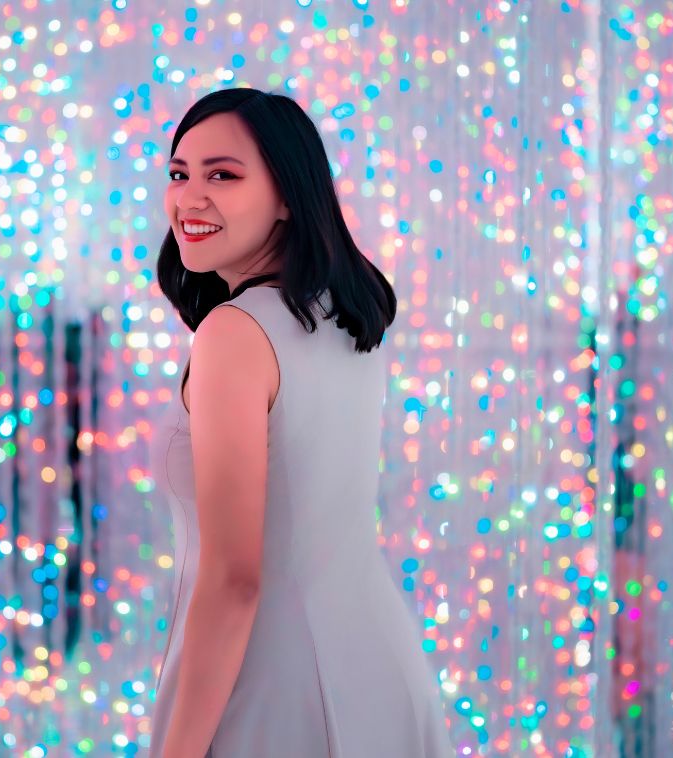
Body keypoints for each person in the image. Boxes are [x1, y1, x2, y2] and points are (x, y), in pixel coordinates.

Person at [149, 88, 451, 757]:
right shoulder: (346, 317)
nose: (189, 198)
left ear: (288, 195)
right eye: (179, 174)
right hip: (379, 667)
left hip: (272, 685)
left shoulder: (233, 333)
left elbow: (234, 579)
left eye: (222, 175)